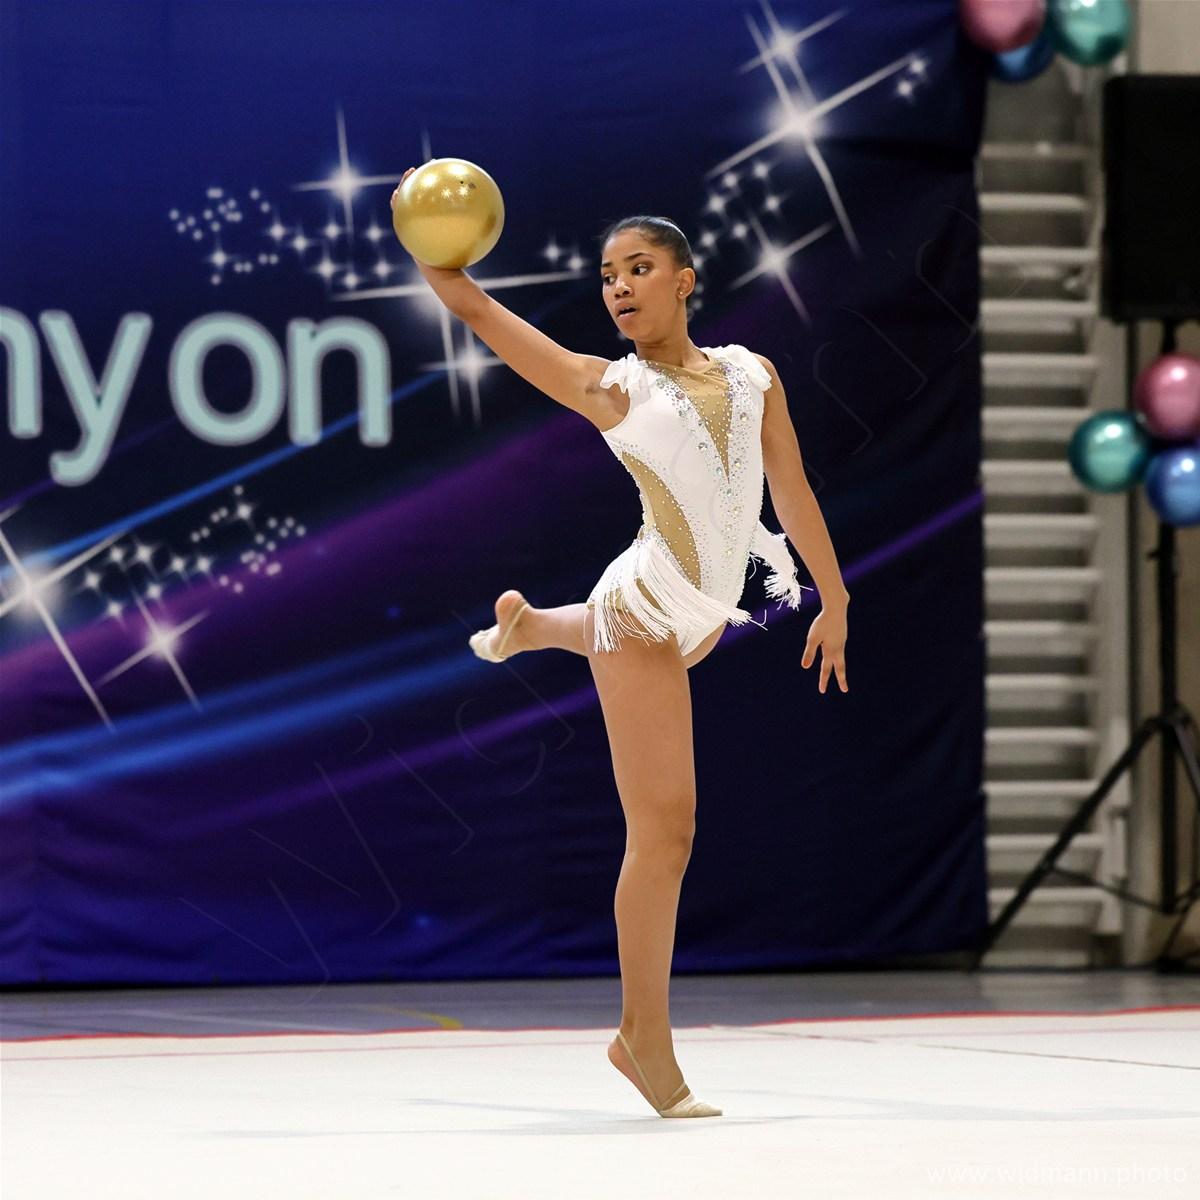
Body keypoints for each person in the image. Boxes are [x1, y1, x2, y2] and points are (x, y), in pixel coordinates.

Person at [391, 171, 850, 1117]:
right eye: (606, 277)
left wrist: (834, 595)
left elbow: (792, 489)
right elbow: (478, 313)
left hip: (707, 612)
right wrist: (428, 241)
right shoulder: (610, 388)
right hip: (645, 607)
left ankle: (532, 627)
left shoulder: (754, 374)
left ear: (685, 279)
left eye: (638, 268)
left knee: (639, 654)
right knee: (666, 829)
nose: (619, 288)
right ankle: (643, 1038)